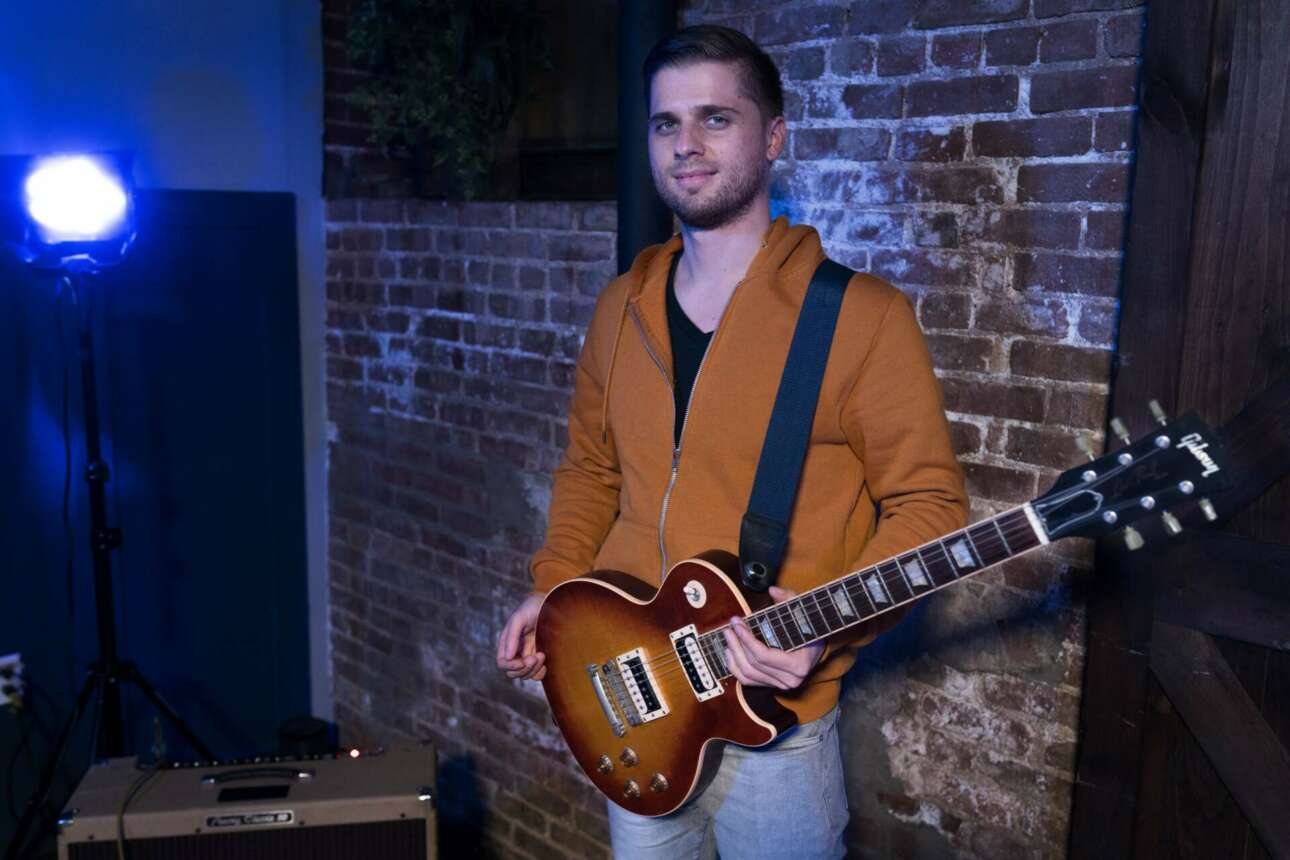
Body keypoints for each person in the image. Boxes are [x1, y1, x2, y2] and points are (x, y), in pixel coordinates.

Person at [496, 24, 967, 859]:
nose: (687, 144)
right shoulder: (621, 308)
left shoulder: (861, 318)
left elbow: (929, 506)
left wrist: (827, 631)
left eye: (716, 118)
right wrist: (556, 586)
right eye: (666, 123)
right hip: (635, 702)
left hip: (776, 729)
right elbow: (592, 471)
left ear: (773, 137)